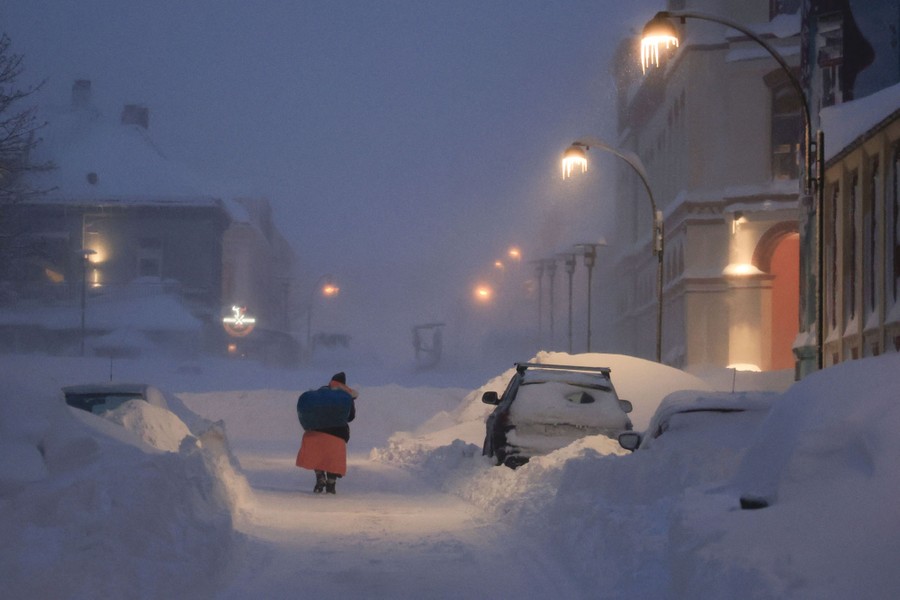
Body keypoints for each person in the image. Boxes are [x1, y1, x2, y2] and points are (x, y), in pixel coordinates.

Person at [295, 372, 358, 494]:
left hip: (315, 432)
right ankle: (331, 483)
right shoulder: (345, 397)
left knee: (318, 455)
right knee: (333, 459)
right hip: (337, 434)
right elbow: (351, 417)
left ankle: (320, 477)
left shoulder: (320, 394)